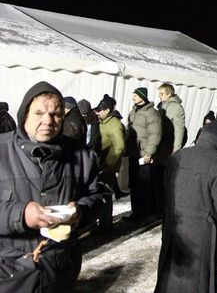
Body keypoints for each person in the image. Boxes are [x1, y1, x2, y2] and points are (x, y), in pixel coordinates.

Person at [0, 81, 104, 292]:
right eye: (39, 113)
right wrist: (20, 214)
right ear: (24, 115)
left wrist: (82, 211)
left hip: (60, 272)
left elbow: (99, 196)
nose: (48, 121)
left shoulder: (82, 156)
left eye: (56, 114)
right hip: (9, 273)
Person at [155, 121, 217, 293]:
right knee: (199, 283)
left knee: (170, 278)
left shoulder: (177, 156)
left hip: (173, 227)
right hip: (202, 234)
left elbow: (165, 192)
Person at [126, 87, 167, 221]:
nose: (133, 98)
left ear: (142, 97)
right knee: (134, 184)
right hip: (133, 152)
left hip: (144, 154)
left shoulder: (151, 114)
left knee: (144, 185)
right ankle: (136, 211)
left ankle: (146, 213)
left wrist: (149, 153)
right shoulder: (134, 110)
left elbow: (155, 134)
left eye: (135, 95)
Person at [93, 94, 126, 199]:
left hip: (107, 166)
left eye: (100, 110)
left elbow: (119, 146)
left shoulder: (115, 124)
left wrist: (108, 164)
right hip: (102, 163)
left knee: (106, 195)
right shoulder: (105, 122)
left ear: (107, 110)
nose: (97, 112)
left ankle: (106, 216)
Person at [157, 83, 187, 153]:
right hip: (159, 144)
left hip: (168, 145)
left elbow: (179, 130)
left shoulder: (177, 108)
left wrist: (176, 149)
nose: (159, 95)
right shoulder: (161, 106)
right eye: (159, 93)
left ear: (169, 94)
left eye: (162, 94)